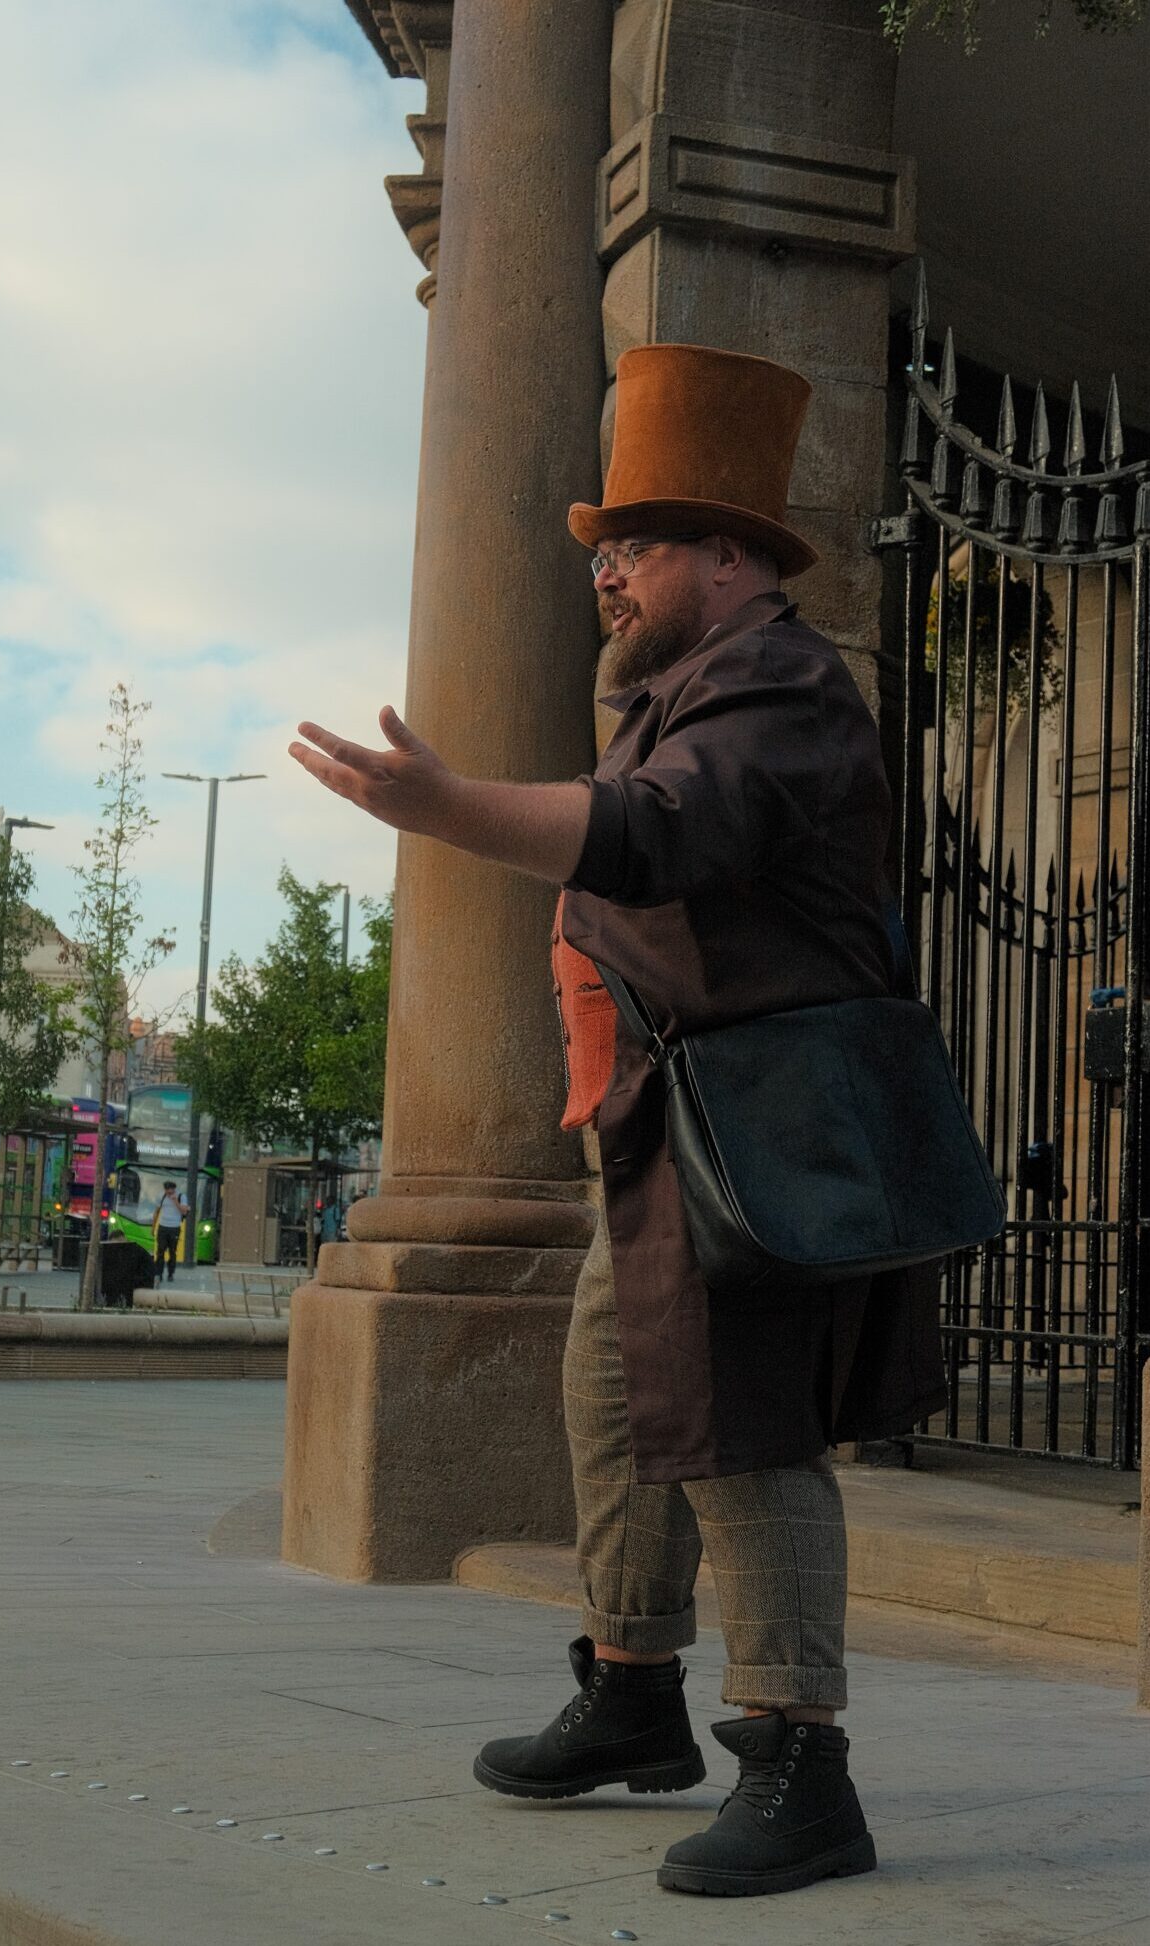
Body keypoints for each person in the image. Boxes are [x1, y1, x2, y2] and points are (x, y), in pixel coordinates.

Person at [288, 343, 947, 1899]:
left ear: (729, 556)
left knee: (742, 1434)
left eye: (634, 543)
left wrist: (445, 808)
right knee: (615, 1404)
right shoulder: (679, 689)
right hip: (669, 1126)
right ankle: (633, 1689)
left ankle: (798, 1759)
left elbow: (656, 839)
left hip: (763, 1134)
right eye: (598, 546)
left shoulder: (779, 680)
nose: (605, 568)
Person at [152, 1180, 189, 1284]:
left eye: (170, 1191)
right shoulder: (162, 1196)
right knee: (160, 1251)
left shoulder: (182, 1196)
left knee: (172, 1252)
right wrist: (153, 1227)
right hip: (163, 1227)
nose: (168, 1192)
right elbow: (157, 1211)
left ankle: (170, 1274)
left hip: (174, 1227)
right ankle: (158, 1273)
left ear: (174, 1189)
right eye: (166, 1190)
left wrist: (175, 1201)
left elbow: (184, 1211)